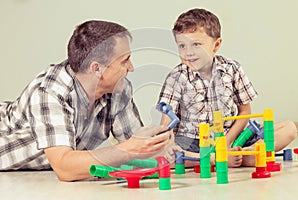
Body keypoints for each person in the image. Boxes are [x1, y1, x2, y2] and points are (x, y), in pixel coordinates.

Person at [0, 20, 176, 181]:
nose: (131, 68)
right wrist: (129, 149)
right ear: (97, 68)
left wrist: (178, 150)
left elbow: (138, 150)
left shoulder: (118, 88)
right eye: (125, 60)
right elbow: (65, 167)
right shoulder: (50, 92)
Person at [157, 8, 297, 167]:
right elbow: (166, 123)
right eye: (182, 46)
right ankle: (221, 159)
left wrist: (227, 143)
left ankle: (243, 154)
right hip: (193, 142)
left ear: (216, 45)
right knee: (165, 155)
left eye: (196, 44)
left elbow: (245, 112)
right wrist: (168, 144)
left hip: (233, 137)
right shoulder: (176, 77)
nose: (188, 53)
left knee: (289, 128)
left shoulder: (232, 69)